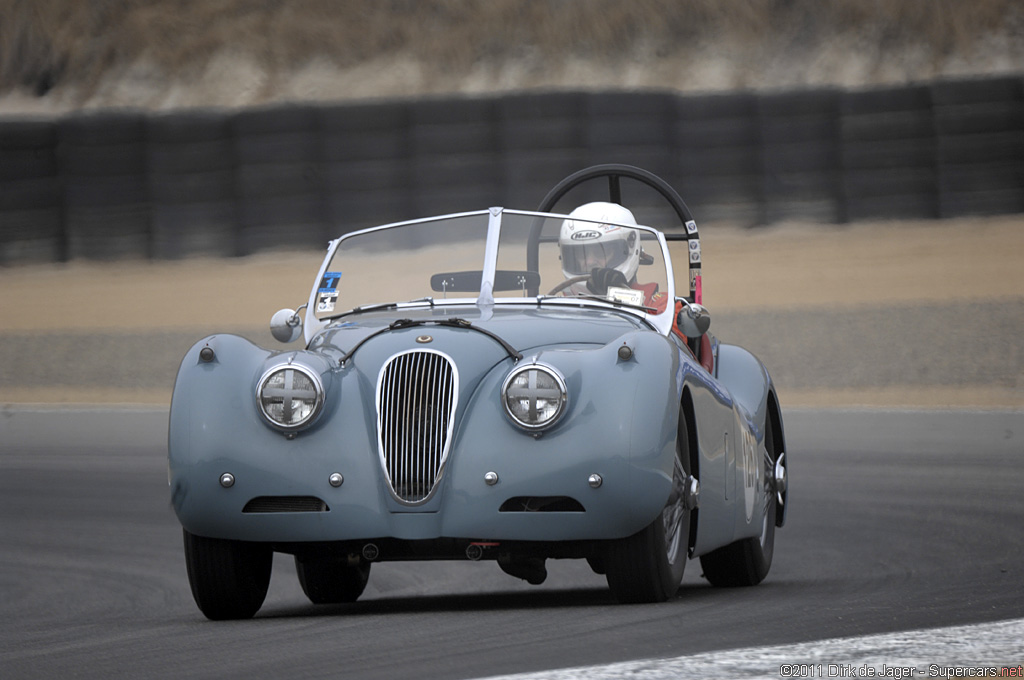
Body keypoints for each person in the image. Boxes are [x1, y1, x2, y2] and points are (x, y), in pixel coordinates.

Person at [557, 202, 663, 308]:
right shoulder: (559, 309)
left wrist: (620, 295)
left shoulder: (657, 304)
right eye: (581, 253)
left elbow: (664, 323)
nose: (589, 261)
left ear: (629, 248)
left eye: (600, 252)